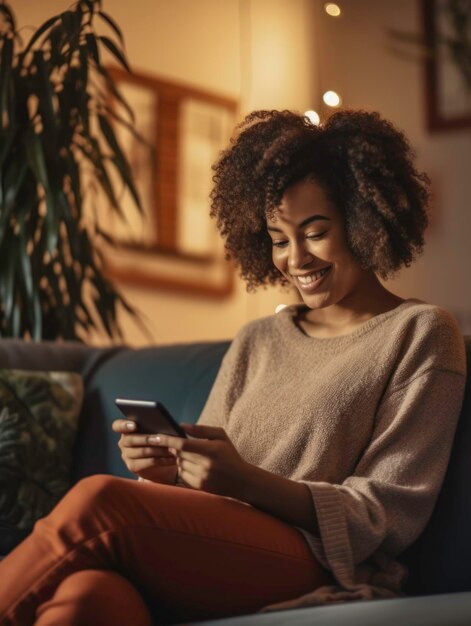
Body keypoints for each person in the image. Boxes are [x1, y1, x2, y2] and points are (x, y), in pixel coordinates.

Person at [0, 109, 466, 626]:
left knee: (101, 501)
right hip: (217, 551)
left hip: (323, 562)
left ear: (363, 220)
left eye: (314, 232)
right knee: (88, 598)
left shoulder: (420, 333)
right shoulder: (257, 339)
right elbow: (202, 485)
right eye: (278, 238)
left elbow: (385, 516)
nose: (295, 259)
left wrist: (245, 482)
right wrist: (168, 473)